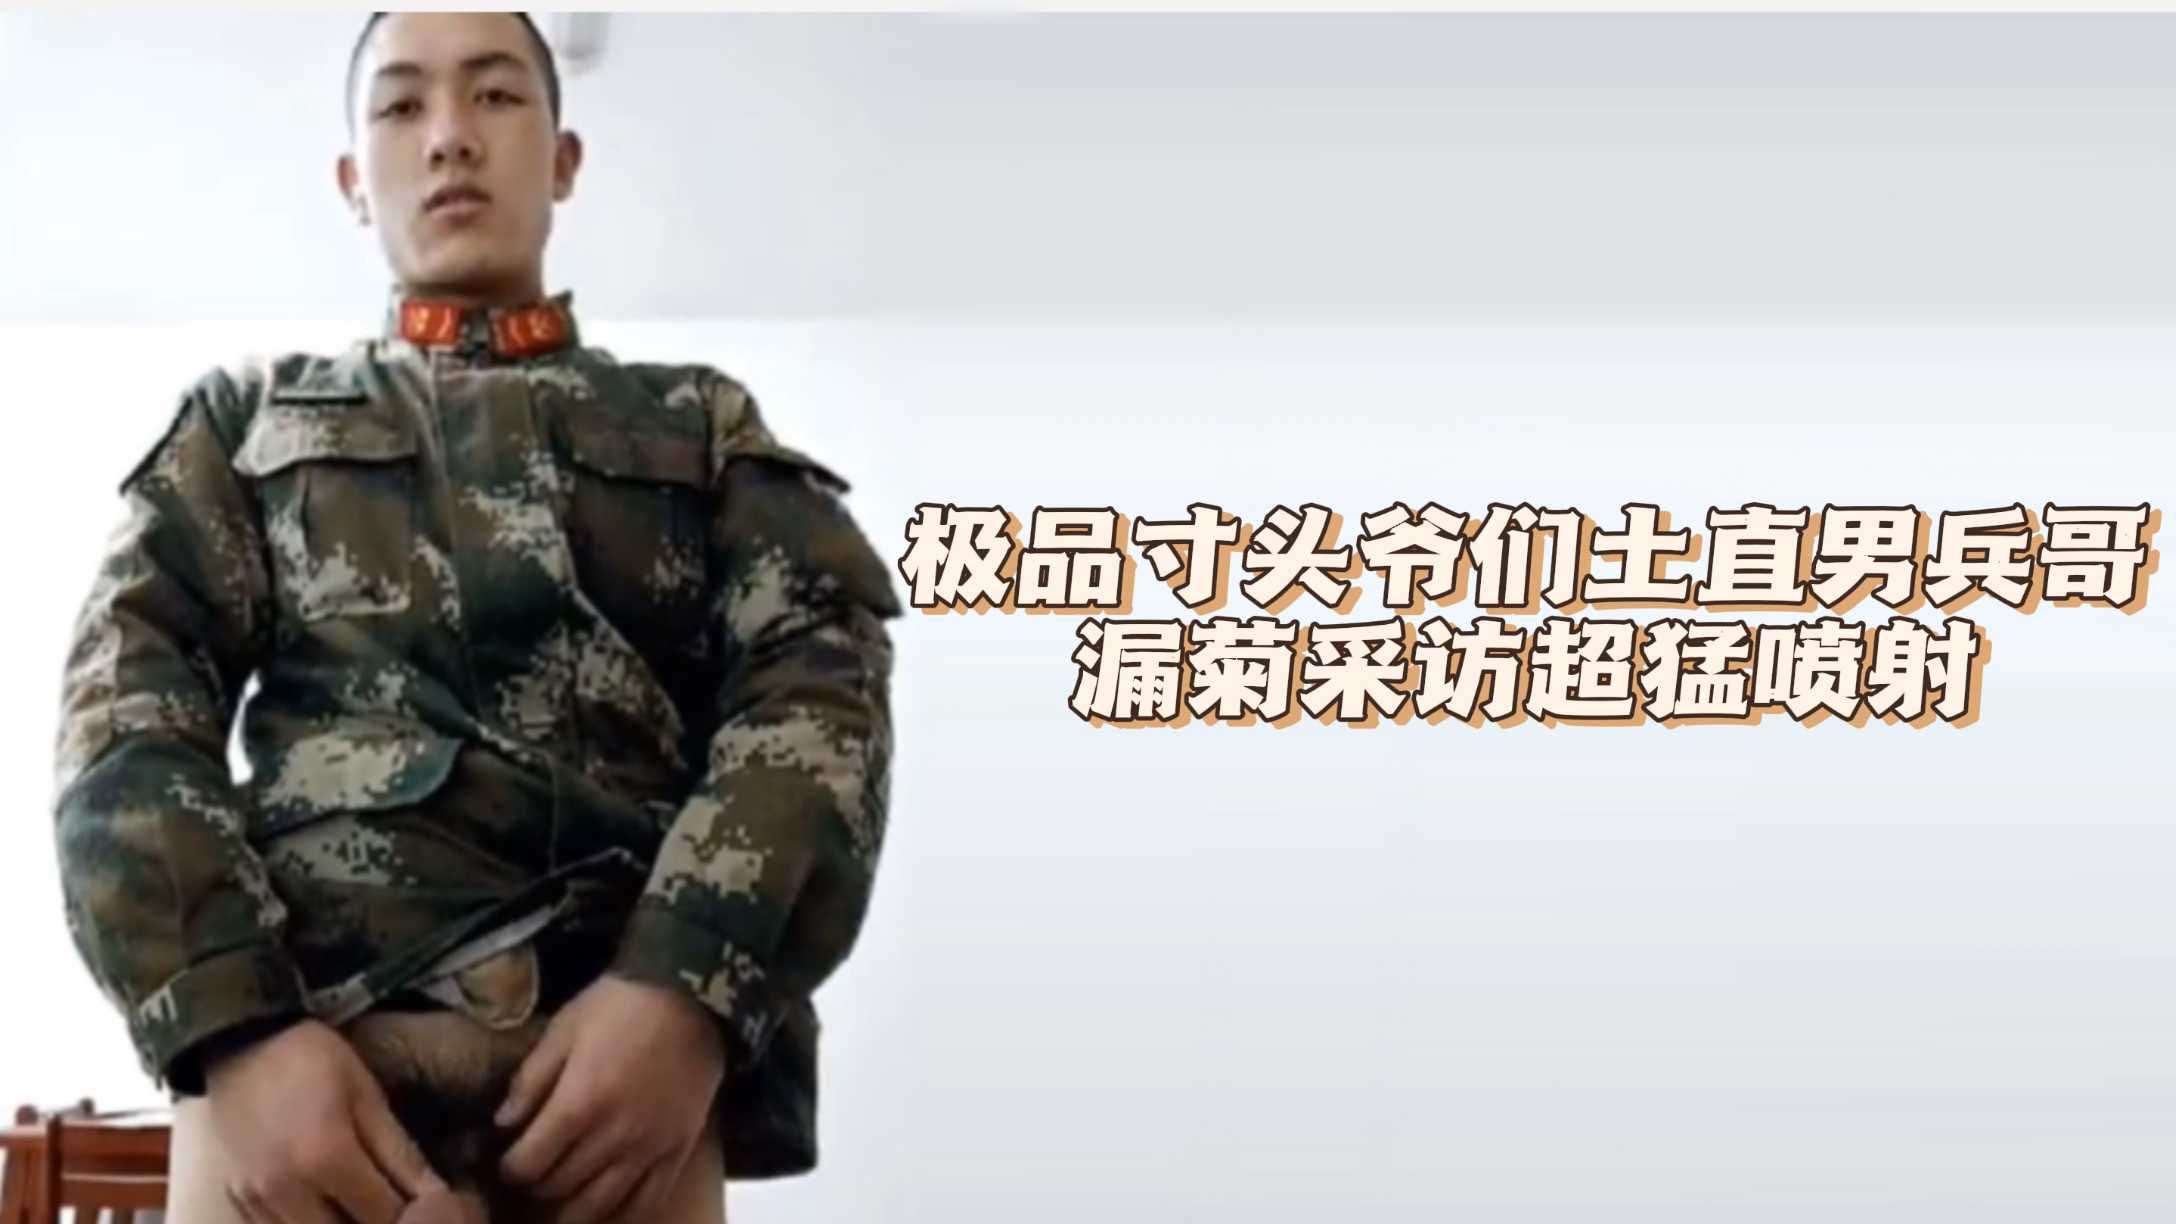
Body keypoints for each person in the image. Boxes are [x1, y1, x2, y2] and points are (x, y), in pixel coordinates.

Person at [49, 11, 904, 1222]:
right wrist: (233, 1029)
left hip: (615, 1097)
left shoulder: (702, 425)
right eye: (402, 106)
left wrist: (688, 989)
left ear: (564, 159)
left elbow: (819, 693)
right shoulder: (241, 425)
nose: (450, 136)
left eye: (497, 96)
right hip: (302, 1089)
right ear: (353, 182)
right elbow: (123, 712)